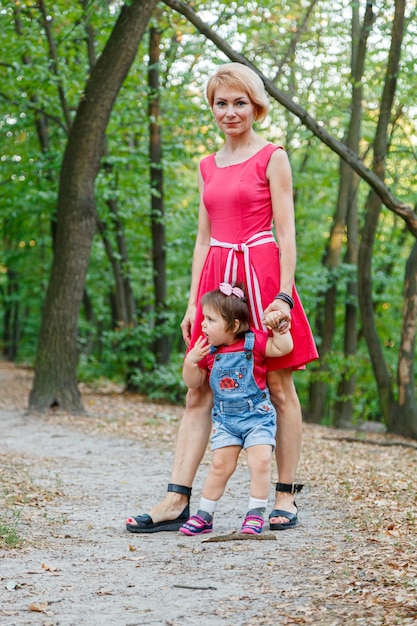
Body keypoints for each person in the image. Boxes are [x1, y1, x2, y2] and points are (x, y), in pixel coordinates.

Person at [125, 62, 318, 534]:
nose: (230, 112)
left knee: (277, 386)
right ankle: (177, 500)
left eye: (239, 102)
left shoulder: (274, 156)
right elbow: (202, 238)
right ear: (212, 108)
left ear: (256, 106)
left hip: (262, 273)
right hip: (216, 281)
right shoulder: (206, 164)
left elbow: (287, 233)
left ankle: (284, 497)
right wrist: (194, 303)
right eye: (221, 103)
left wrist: (283, 298)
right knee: (198, 389)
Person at [179, 283, 293, 536]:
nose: (203, 325)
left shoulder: (256, 343)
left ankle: (255, 514)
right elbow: (194, 382)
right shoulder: (208, 352)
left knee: (260, 461)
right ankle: (205, 514)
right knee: (220, 465)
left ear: (233, 326)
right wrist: (190, 362)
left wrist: (280, 328)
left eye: (210, 319)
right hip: (226, 421)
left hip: (257, 418)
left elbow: (284, 348)